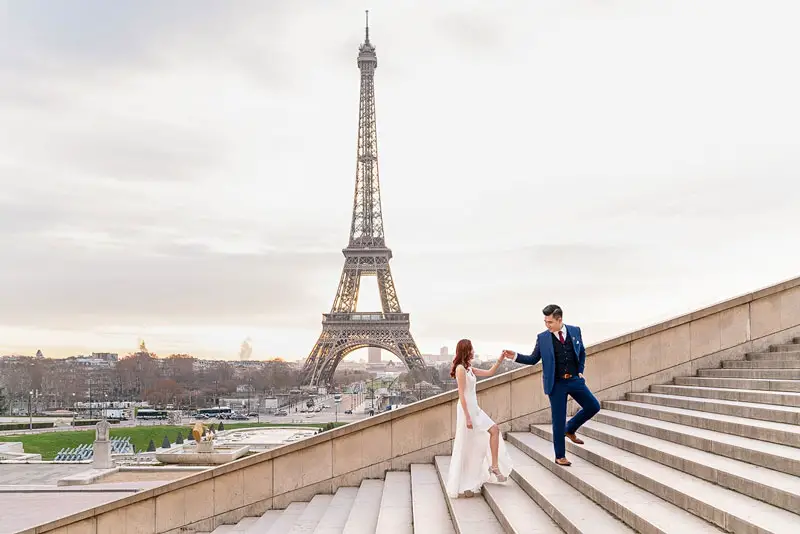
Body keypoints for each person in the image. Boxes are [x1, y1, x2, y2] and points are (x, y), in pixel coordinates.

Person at [503, 304, 600, 467]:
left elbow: (581, 352)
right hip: (556, 384)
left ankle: (570, 428)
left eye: (550, 322)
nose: (547, 325)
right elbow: (533, 359)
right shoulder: (543, 338)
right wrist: (515, 356)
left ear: (559, 320)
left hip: (575, 380)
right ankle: (560, 456)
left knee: (593, 406)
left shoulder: (575, 331)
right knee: (558, 419)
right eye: (545, 322)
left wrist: (581, 370)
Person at [446, 339, 513, 498]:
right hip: (467, 410)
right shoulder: (461, 369)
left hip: (475, 408)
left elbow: (489, 373)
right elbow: (461, 394)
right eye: (471, 349)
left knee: (494, 430)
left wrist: (500, 359)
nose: (473, 351)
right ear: (466, 350)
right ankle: (469, 477)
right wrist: (467, 417)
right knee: (467, 444)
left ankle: (494, 466)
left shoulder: (469, 368)